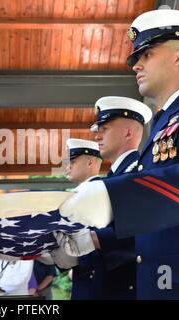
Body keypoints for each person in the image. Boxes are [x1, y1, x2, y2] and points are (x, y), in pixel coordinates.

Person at [59, 8, 179, 299]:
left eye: (145, 55)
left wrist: (115, 197)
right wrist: (92, 241)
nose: (135, 66)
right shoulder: (161, 125)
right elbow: (155, 219)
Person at [66, 97, 152, 300]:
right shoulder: (115, 178)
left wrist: (95, 240)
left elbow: (144, 231)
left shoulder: (139, 174)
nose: (96, 136)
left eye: (104, 129)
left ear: (128, 133)